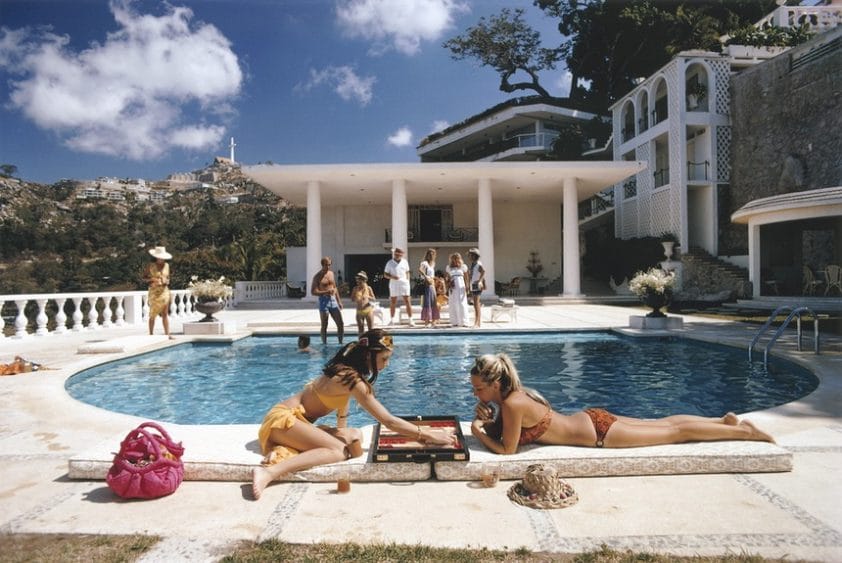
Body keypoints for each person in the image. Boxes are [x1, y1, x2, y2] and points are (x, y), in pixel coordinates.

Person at [252, 329, 454, 499]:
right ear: (369, 355)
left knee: (354, 434)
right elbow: (388, 421)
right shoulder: (352, 380)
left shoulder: (345, 371)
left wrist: (341, 432)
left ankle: (286, 447)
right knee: (338, 451)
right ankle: (269, 472)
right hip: (283, 421)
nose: (387, 364)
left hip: (291, 421)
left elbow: (341, 409)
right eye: (384, 358)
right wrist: (426, 434)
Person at [468, 353, 775, 455]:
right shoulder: (515, 396)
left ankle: (747, 433)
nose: (475, 394)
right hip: (592, 419)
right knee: (664, 423)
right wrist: (489, 419)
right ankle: (721, 421)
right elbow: (512, 433)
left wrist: (478, 430)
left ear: (495, 384)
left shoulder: (512, 404)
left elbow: (508, 451)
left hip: (601, 434)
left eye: (478, 388)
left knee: (674, 433)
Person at [311, 257, 344, 345]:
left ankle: (340, 343)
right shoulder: (317, 276)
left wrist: (339, 301)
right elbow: (313, 291)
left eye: (329, 264)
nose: (328, 266)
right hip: (324, 301)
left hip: (333, 300)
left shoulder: (331, 274)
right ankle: (324, 344)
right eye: (326, 265)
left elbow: (334, 288)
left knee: (340, 323)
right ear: (322, 265)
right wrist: (326, 292)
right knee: (325, 324)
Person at [143, 246, 174, 339]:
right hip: (154, 292)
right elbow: (143, 278)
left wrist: (167, 281)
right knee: (153, 314)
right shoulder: (150, 266)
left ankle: (167, 334)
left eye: (162, 257)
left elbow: (168, 277)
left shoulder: (167, 266)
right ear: (156, 257)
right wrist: (152, 279)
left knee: (165, 313)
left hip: (164, 291)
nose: (161, 258)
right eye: (159, 257)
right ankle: (151, 334)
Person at [384, 247, 414, 326]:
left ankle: (411, 320)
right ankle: (392, 320)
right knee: (393, 301)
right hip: (394, 284)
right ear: (394, 254)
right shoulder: (389, 263)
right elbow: (385, 274)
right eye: (396, 254)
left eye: (399, 254)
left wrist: (407, 281)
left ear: (401, 255)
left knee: (407, 301)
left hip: (404, 284)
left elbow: (407, 272)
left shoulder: (405, 262)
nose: (397, 256)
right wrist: (393, 277)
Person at [446, 252, 470, 327]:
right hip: (453, 287)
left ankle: (464, 321)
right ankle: (455, 321)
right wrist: (449, 283)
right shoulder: (449, 267)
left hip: (461, 286)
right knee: (453, 303)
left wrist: (467, 286)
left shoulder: (463, 267)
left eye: (457, 258)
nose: (455, 260)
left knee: (462, 303)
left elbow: (466, 277)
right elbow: (447, 278)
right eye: (454, 259)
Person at [418, 248, 440, 328]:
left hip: (432, 284)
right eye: (430, 254)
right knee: (427, 302)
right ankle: (427, 322)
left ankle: (433, 321)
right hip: (427, 284)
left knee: (433, 302)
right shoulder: (424, 263)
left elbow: (432, 275)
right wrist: (426, 277)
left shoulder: (433, 263)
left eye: (433, 254)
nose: (431, 255)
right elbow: (420, 270)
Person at [350, 271, 376, 336]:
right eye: (357, 280)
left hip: (368, 310)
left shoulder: (368, 288)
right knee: (361, 330)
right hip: (359, 311)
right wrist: (356, 298)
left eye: (359, 280)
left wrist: (368, 296)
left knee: (371, 330)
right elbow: (352, 299)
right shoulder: (355, 288)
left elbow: (374, 298)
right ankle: (361, 343)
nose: (358, 282)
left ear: (364, 280)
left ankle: (371, 343)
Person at [467, 248, 485, 328]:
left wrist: (480, 281)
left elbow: (483, 271)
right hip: (473, 284)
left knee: (476, 304)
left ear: (474, 256)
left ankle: (477, 323)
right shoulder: (473, 264)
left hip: (476, 285)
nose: (469, 256)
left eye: (470, 255)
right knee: (475, 304)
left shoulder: (478, 264)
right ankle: (478, 323)